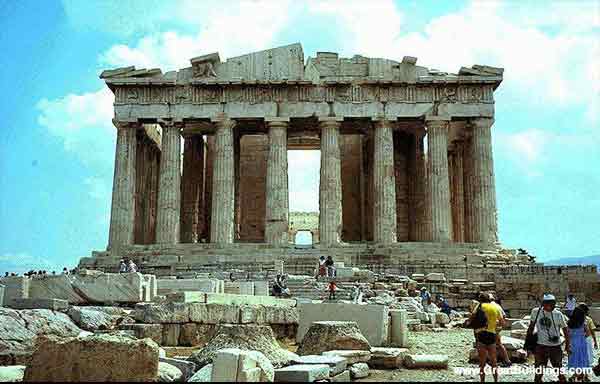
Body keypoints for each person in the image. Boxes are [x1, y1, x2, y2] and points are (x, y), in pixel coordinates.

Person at [530, 293, 570, 383]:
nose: (549, 306)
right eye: (547, 304)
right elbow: (531, 327)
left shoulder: (558, 314)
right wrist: (528, 344)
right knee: (539, 371)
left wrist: (567, 345)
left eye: (552, 304)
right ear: (543, 304)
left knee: (558, 369)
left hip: (555, 346)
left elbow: (565, 330)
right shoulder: (535, 312)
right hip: (541, 346)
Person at [473, 292, 504, 383]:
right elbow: (502, 322)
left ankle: (482, 381)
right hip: (491, 334)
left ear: (480, 299)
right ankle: (495, 380)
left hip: (481, 334)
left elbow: (472, 318)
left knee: (482, 362)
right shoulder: (496, 307)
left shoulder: (479, 306)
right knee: (494, 360)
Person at [567, 306, 592, 381]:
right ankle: (584, 376)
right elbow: (588, 333)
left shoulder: (569, 323)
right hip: (581, 343)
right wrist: (581, 335)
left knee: (574, 359)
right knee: (582, 359)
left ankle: (574, 375)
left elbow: (567, 334)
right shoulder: (583, 324)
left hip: (572, 343)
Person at [489, 294, 512, 368]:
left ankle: (495, 361)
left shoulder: (489, 306)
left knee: (491, 344)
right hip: (496, 327)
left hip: (491, 327)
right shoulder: (498, 306)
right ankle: (506, 360)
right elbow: (504, 316)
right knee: (498, 344)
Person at [579, 303, 598, 374]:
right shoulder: (575, 320)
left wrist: (595, 342)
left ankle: (585, 374)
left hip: (587, 340)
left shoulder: (588, 320)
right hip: (579, 340)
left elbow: (592, 332)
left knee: (587, 357)